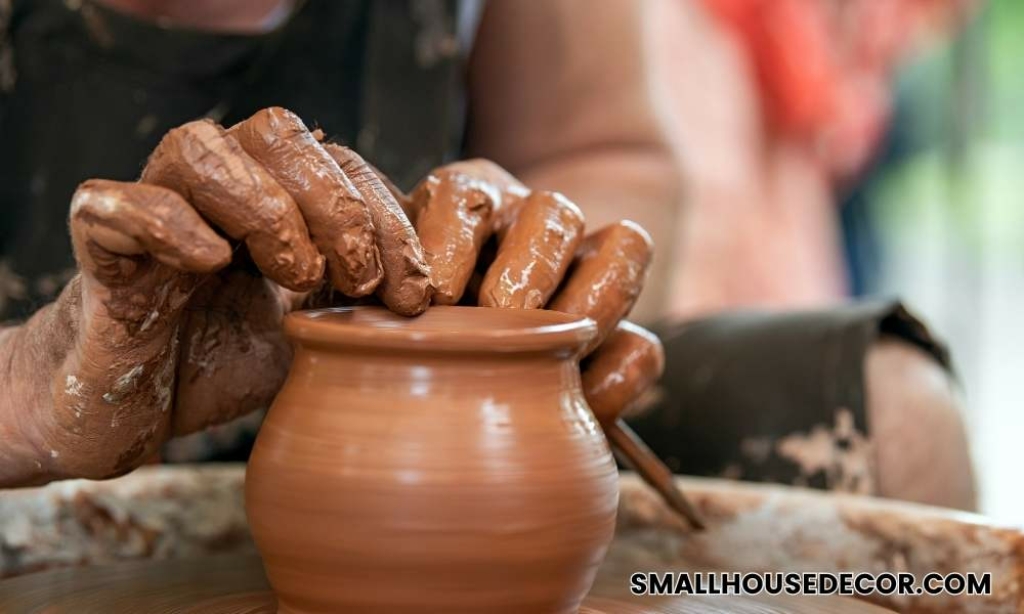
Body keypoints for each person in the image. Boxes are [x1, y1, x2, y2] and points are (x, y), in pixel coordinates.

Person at [0, 0, 976, 510]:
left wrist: (527, 285)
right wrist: (35, 391)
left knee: (891, 419)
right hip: (25, 463)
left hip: (372, 419)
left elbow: (601, 144)